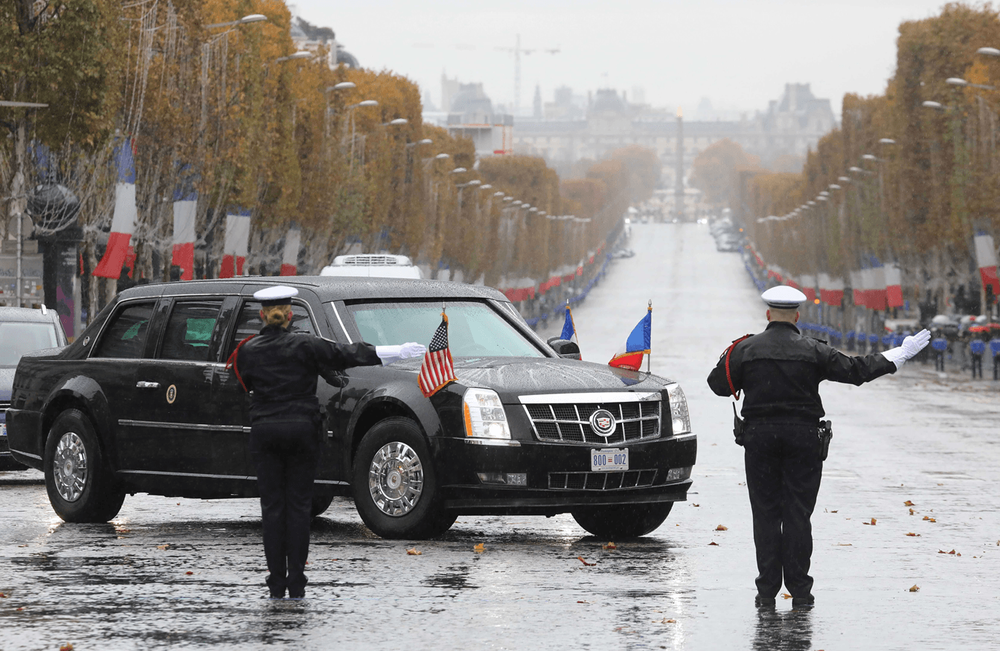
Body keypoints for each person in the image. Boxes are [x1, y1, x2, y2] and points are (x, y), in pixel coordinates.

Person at [707, 285, 930, 610]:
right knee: (798, 514)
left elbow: (718, 385)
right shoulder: (813, 350)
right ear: (797, 316)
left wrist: (736, 358)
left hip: (760, 439)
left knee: (766, 515)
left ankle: (766, 592)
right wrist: (899, 354)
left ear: (768, 315)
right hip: (803, 439)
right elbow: (857, 371)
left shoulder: (746, 349)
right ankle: (800, 592)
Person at [228, 286, 425, 599]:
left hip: (265, 433)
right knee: (298, 507)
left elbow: (242, 383)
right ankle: (297, 583)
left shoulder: (247, 350)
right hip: (301, 432)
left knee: (273, 509)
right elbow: (350, 354)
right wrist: (399, 350)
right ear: (290, 314)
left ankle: (276, 583)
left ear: (262, 315)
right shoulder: (307, 344)